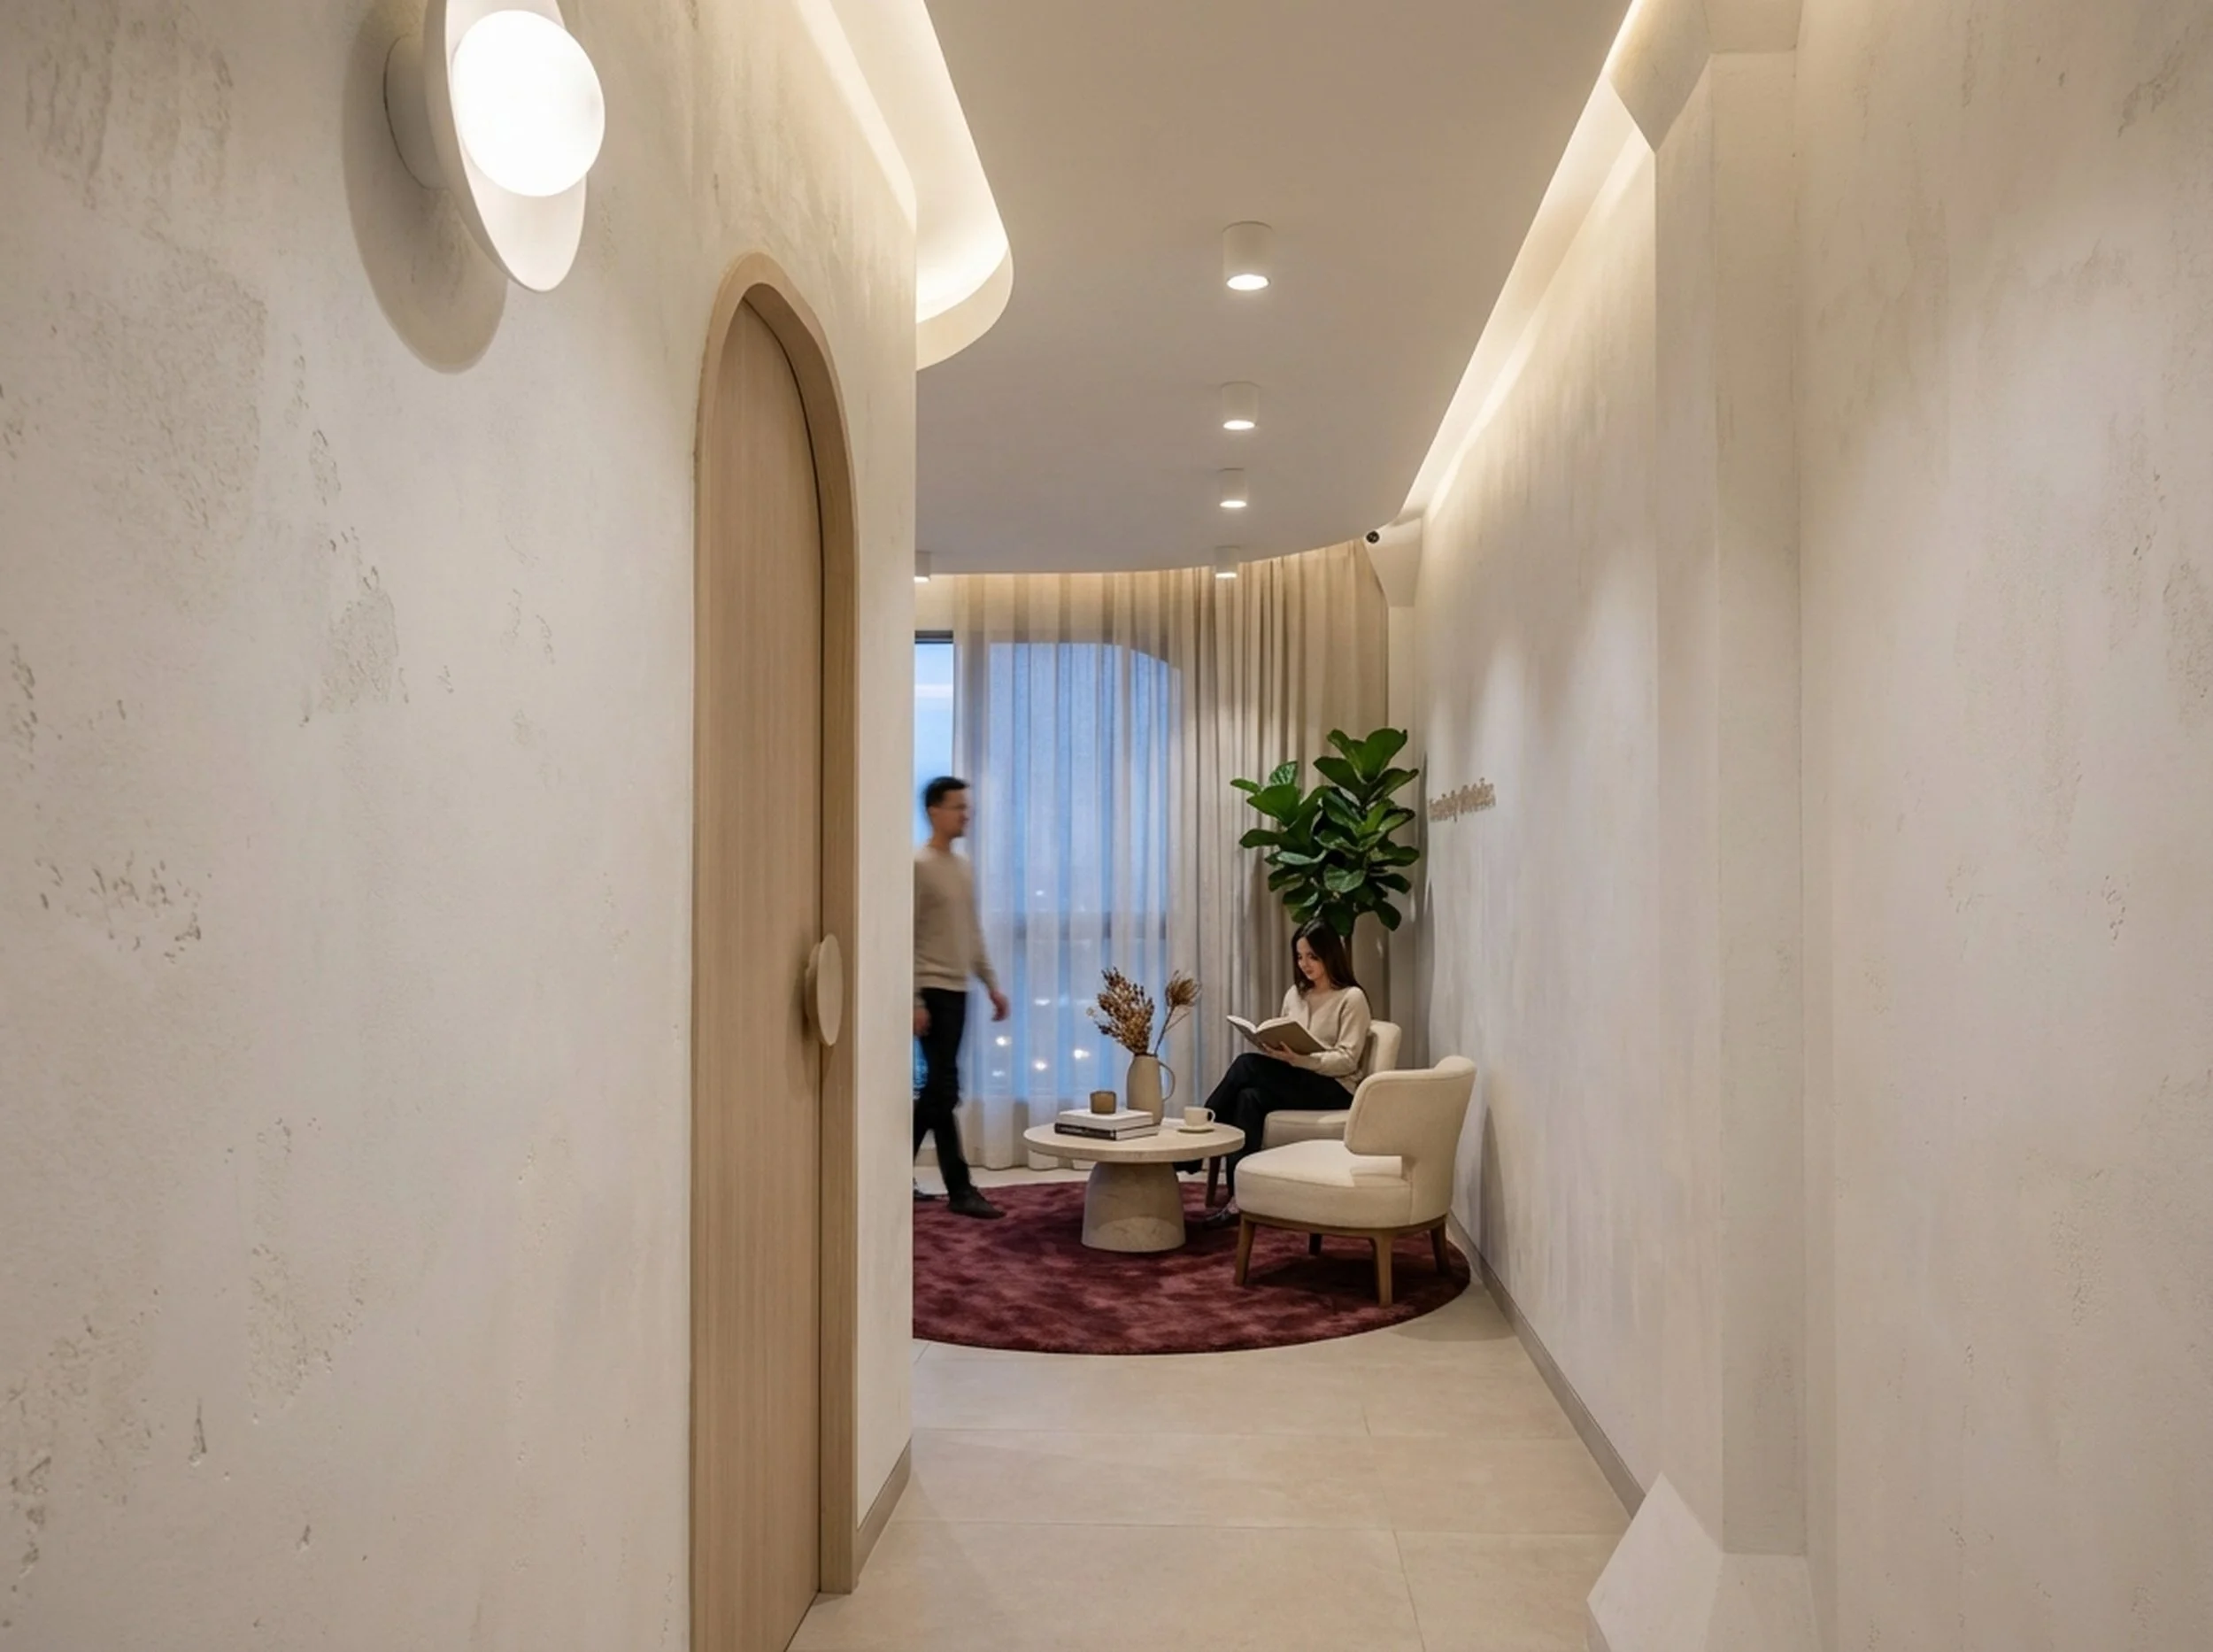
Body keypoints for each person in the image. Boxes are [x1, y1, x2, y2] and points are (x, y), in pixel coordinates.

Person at [1198, 921, 1374, 1229]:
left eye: (1312, 957)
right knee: (1247, 1098)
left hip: (1335, 1088)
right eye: (1299, 956)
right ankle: (1241, 1200)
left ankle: (1201, 1131)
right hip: (1297, 1079)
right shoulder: (1296, 994)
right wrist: (1276, 1050)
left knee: (1244, 1065)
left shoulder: (1351, 998)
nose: (1304, 964)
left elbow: (1348, 1060)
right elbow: (1284, 1033)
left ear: (1330, 956)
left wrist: (1302, 1060)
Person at [914, 776, 1010, 1220]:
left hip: (958, 989)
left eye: (966, 807)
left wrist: (990, 983)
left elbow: (971, 932)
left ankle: (891, 1171)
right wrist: (913, 999)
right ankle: (960, 1189)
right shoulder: (917, 865)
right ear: (935, 810)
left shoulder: (963, 867)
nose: (965, 814)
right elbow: (905, 935)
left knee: (939, 1090)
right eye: (957, 807)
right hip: (930, 989)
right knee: (944, 1088)